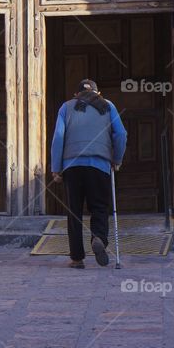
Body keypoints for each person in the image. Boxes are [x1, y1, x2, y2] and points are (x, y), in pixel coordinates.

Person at [50, 79, 127, 268]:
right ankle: (98, 237)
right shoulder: (108, 106)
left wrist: (56, 168)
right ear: (98, 94)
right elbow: (121, 134)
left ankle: (77, 258)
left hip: (72, 166)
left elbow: (58, 137)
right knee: (99, 207)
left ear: (76, 95)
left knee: (74, 211)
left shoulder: (66, 107)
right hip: (99, 165)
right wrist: (116, 159)